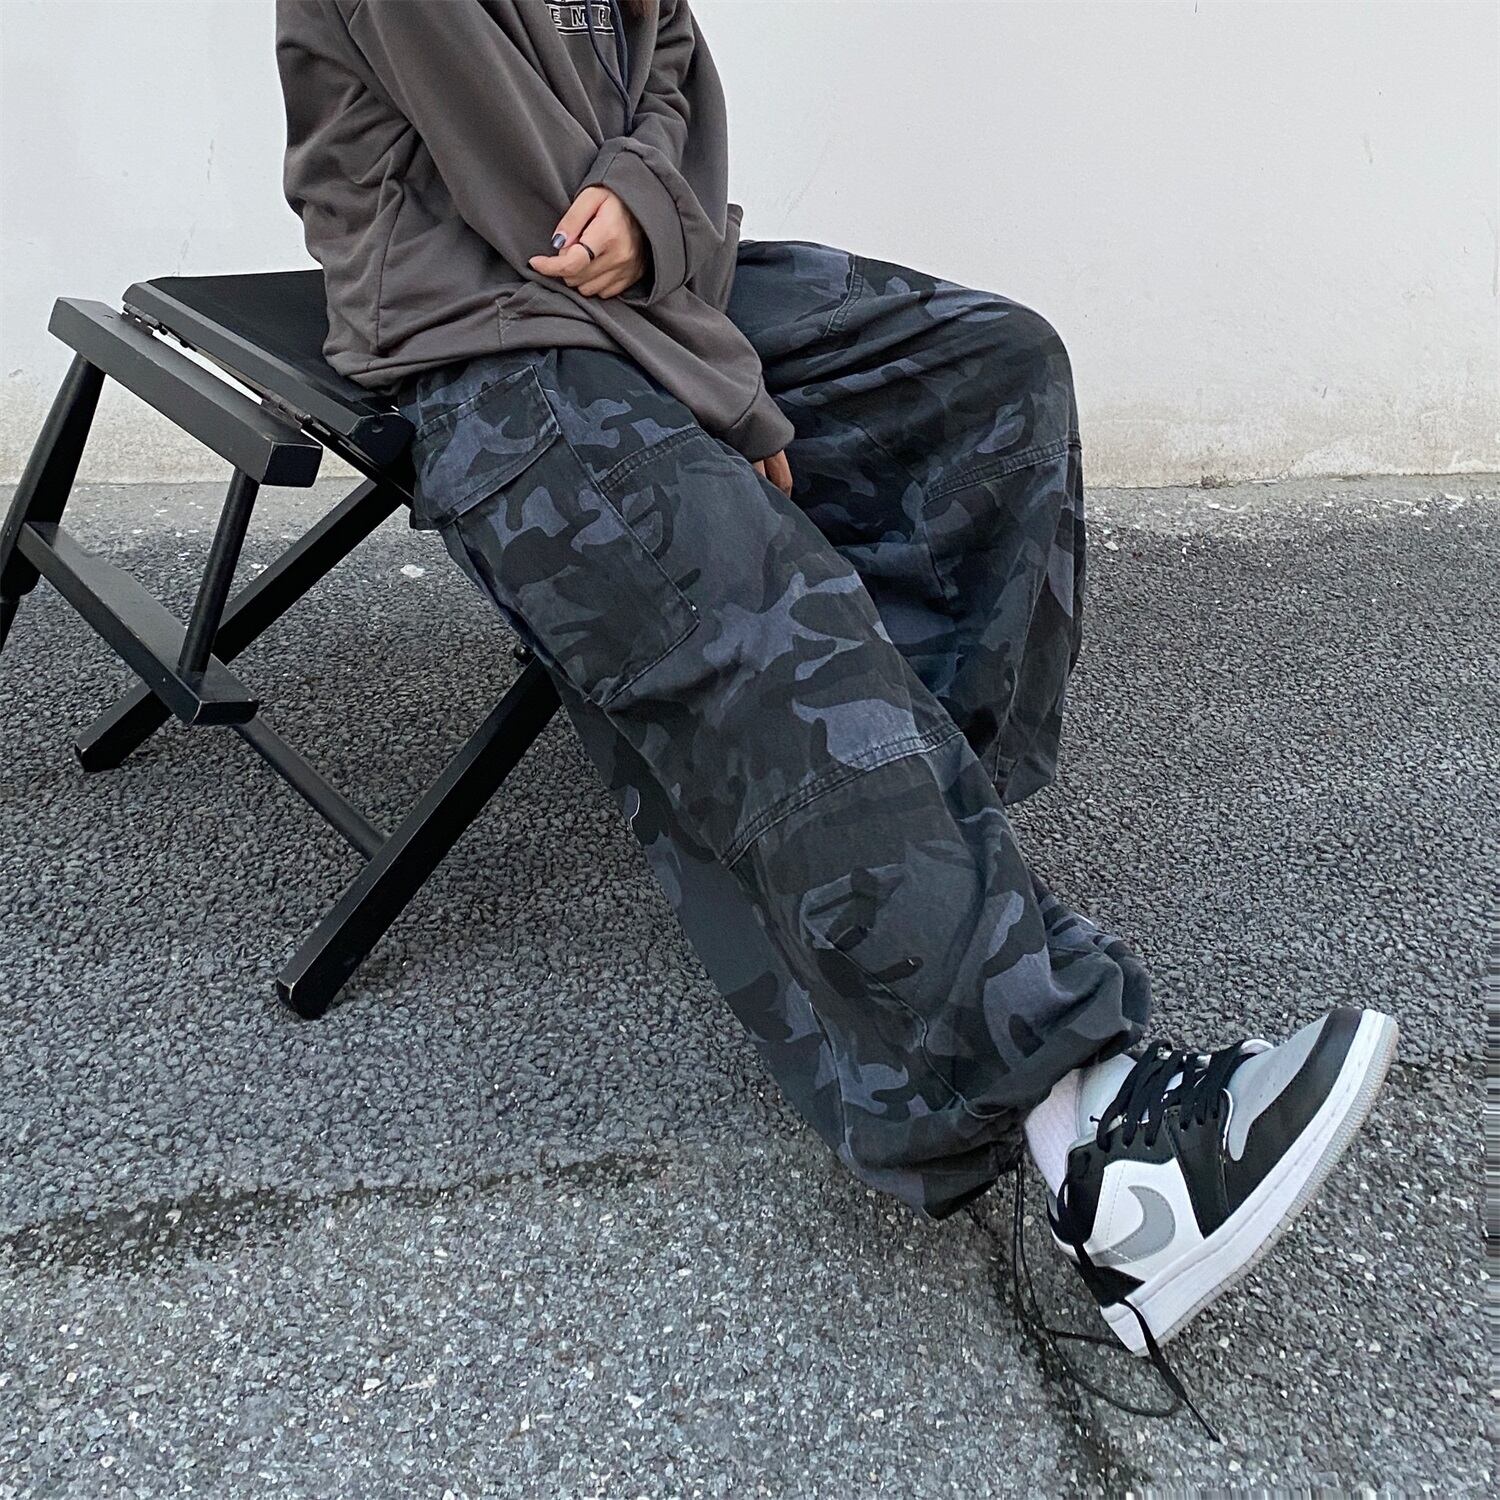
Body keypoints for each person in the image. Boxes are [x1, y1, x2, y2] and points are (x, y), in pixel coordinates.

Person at [274, 0, 1396, 1377]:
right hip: (482, 331)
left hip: (658, 290)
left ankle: (922, 846)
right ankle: (1099, 1152)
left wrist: (654, 205)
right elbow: (544, 216)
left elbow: (666, 63)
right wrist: (732, 401)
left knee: (994, 366)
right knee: (737, 587)